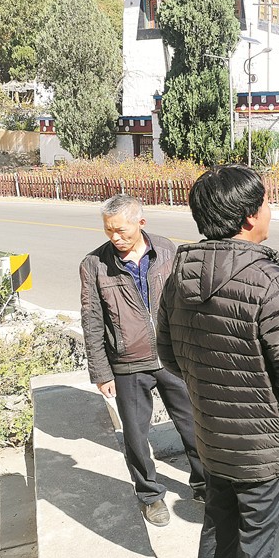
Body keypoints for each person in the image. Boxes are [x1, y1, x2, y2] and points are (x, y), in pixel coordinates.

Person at [156, 165, 279, 558]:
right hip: (264, 448)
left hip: (213, 438)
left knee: (218, 533)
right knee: (259, 555)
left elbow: (169, 354)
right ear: (249, 217)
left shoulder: (179, 277)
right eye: (266, 203)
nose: (270, 210)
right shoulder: (271, 282)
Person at [80, 194, 204, 527]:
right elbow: (91, 320)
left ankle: (204, 484)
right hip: (127, 363)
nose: (115, 237)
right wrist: (101, 371)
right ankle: (150, 495)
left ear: (141, 223)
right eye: (109, 230)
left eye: (121, 230)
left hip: (172, 357)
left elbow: (185, 301)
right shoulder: (94, 264)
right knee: (135, 436)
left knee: (194, 426)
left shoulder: (166, 250)